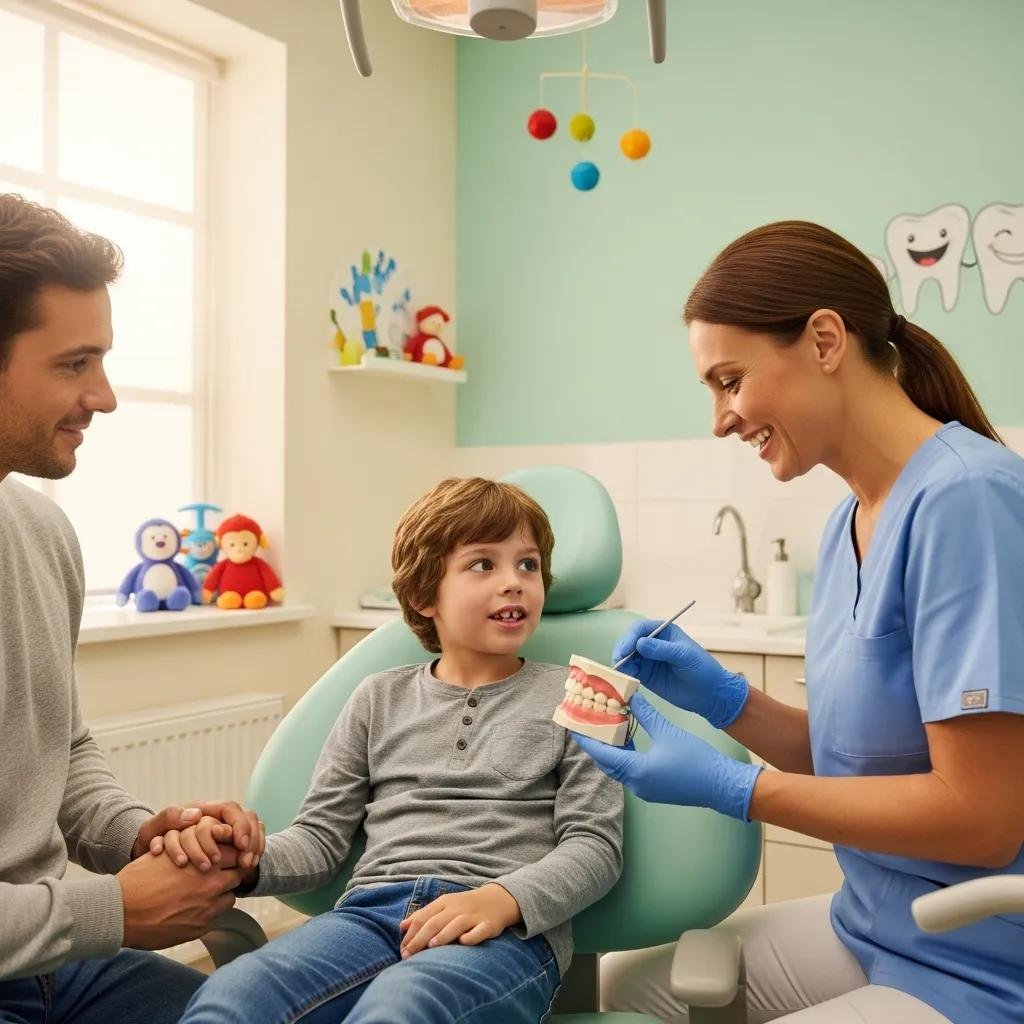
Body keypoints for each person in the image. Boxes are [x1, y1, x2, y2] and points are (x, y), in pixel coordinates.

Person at [572, 221, 1024, 1023]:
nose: (720, 419)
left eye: (729, 381)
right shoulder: (849, 520)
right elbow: (865, 763)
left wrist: (738, 790)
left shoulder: (966, 501)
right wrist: (728, 701)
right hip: (873, 921)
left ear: (824, 341)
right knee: (632, 992)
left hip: (977, 956)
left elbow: (982, 819)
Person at [168, 476, 624, 1024]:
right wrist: (239, 860)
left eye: (528, 565)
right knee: (235, 993)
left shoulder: (584, 695)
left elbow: (595, 846)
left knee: (403, 1007)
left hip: (502, 934)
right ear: (423, 595)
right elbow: (319, 839)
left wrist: (502, 900)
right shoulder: (376, 697)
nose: (514, 583)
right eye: (484, 564)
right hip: (368, 917)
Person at [0, 194, 264, 1023]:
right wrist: (113, 909)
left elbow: (60, 750)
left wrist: (142, 835)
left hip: (56, 964)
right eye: (74, 364)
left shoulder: (42, 531)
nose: (105, 396)